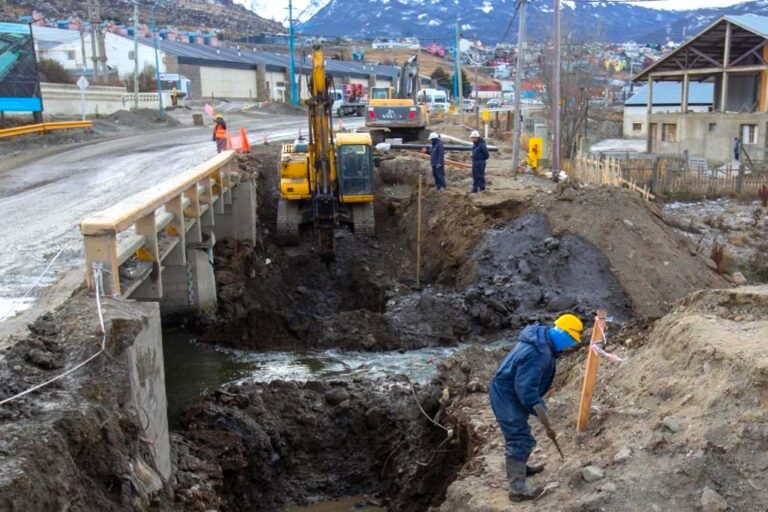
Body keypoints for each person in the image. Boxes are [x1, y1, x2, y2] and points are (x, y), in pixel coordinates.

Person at [489, 314, 584, 501]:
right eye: (571, 339)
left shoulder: (539, 338)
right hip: (506, 394)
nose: (571, 345)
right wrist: (539, 407)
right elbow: (525, 389)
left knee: (520, 429)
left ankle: (521, 468)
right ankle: (517, 489)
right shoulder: (539, 354)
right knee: (519, 437)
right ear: (563, 334)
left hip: (509, 390)